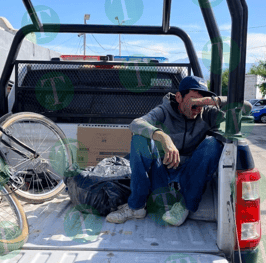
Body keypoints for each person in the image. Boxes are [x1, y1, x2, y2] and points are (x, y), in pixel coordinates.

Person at [106, 76, 252, 226]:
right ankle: (136, 206)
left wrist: (214, 102)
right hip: (163, 171)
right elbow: (136, 123)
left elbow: (247, 108)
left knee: (212, 143)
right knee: (140, 139)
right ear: (179, 97)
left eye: (202, 102)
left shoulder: (207, 113)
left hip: (189, 176)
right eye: (193, 100)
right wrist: (163, 138)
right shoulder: (164, 110)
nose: (198, 107)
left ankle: (184, 206)